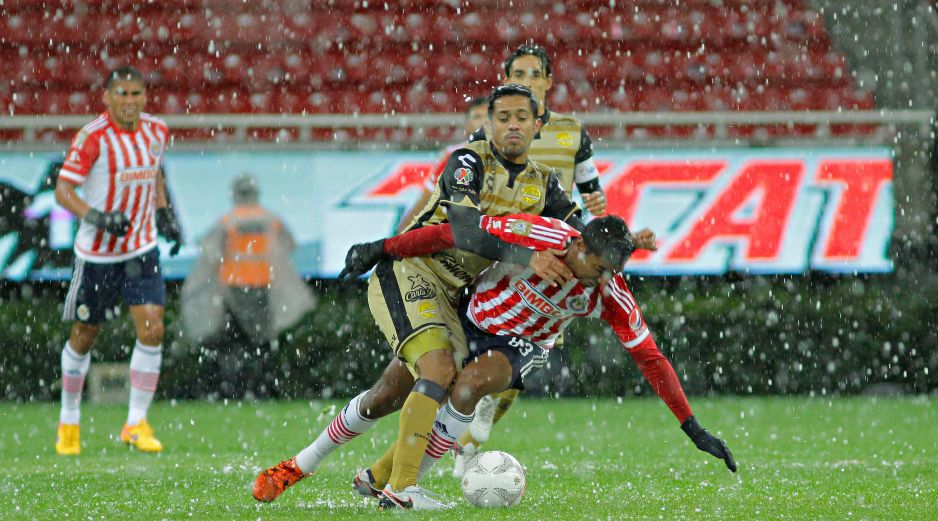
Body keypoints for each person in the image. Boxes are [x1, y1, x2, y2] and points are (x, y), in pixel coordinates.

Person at [252, 84, 584, 509]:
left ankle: (317, 468)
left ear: (538, 125)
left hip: (457, 294)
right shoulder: (467, 161)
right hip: (413, 271)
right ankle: (402, 489)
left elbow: (580, 238)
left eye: (522, 117)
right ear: (489, 124)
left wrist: (615, 244)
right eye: (503, 118)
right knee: (438, 371)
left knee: (391, 394)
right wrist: (528, 256)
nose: (512, 125)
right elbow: (465, 232)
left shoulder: (545, 183)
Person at [345, 214, 737, 487]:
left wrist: (691, 426)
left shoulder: (610, 295)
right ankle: (355, 472)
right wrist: (384, 247)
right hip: (469, 315)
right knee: (389, 394)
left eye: (612, 272)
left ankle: (405, 486)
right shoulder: (540, 234)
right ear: (579, 245)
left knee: (466, 388)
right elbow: (457, 233)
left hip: (522, 344)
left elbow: (651, 359)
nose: (603, 279)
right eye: (599, 268)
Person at [456, 42, 613, 470]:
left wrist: (598, 208)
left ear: (548, 82)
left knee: (520, 364)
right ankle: (452, 430)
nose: (526, 82)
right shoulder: (488, 134)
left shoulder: (572, 132)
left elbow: (591, 193)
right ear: (506, 81)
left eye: (534, 75)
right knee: (479, 353)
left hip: (553, 263)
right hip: (499, 254)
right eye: (518, 75)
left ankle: (470, 435)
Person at [53, 65, 182, 455]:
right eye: (122, 94)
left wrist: (164, 213)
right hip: (97, 256)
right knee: (84, 336)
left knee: (153, 329)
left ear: (145, 97)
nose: (129, 101)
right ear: (107, 97)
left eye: (136, 93)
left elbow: (155, 171)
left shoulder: (156, 130)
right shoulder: (93, 137)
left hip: (141, 249)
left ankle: (135, 423)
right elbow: (63, 190)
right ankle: (69, 420)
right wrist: (97, 217)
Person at [180, 175, 314, 399]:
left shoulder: (229, 220)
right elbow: (289, 243)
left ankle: (233, 389)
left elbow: (210, 251)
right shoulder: (270, 219)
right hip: (261, 286)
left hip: (234, 289)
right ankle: (265, 388)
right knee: (263, 342)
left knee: (233, 342)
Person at [397, 96, 489, 233]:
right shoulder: (453, 156)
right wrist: (401, 235)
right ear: (467, 125)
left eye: (488, 116)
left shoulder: (512, 154)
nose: (483, 122)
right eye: (477, 117)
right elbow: (426, 200)